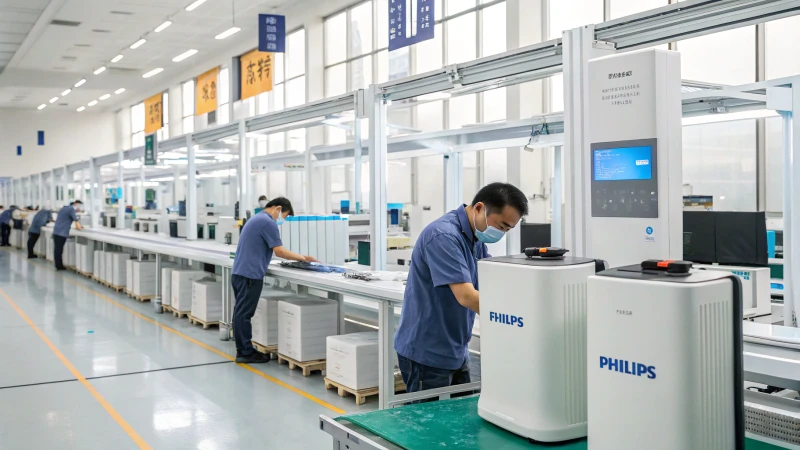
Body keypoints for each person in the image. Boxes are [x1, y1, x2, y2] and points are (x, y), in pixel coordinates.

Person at [394, 183, 528, 393]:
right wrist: (519, 317)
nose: (501, 233)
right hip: (427, 353)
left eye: (508, 230)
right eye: (501, 226)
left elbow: (489, 277)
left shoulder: (475, 237)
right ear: (479, 209)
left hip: (455, 348)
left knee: (462, 416)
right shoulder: (443, 236)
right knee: (430, 423)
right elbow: (466, 296)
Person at [231, 197, 317, 364]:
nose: (281, 220)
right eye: (283, 216)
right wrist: (303, 258)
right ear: (277, 208)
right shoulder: (267, 222)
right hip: (250, 275)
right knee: (244, 315)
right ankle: (245, 353)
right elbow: (279, 251)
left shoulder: (256, 219)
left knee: (240, 313)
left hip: (240, 273)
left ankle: (243, 349)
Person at [53, 200, 84, 270]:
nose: (79, 208)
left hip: (56, 231)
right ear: (76, 204)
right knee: (59, 250)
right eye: (79, 206)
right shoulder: (71, 209)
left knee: (57, 249)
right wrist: (79, 226)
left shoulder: (63, 209)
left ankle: (58, 265)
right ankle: (59, 266)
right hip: (62, 232)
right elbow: (75, 219)